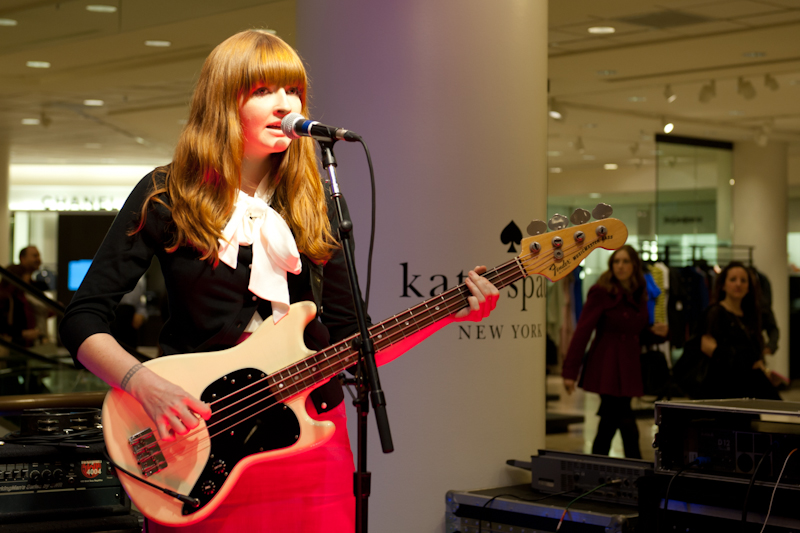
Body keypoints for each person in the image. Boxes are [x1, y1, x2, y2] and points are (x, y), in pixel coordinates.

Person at [58, 29, 499, 533]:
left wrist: (453, 310)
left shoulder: (317, 204)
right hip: (197, 442)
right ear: (223, 101)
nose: (285, 105)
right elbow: (83, 318)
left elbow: (356, 343)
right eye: (264, 90)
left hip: (309, 441)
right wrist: (144, 384)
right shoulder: (166, 193)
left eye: (294, 92)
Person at [561, 245, 667, 459]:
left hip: (628, 364)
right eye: (616, 261)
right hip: (606, 364)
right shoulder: (602, 291)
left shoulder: (640, 292)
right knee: (624, 422)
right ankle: (636, 472)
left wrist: (659, 333)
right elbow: (583, 330)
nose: (620, 266)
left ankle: (601, 472)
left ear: (634, 265)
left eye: (625, 261)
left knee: (610, 422)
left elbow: (638, 331)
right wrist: (570, 371)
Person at [699, 262, 780, 400]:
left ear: (749, 287)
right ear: (723, 285)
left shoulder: (750, 315)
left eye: (743, 280)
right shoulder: (715, 313)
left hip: (749, 387)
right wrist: (747, 362)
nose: (738, 284)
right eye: (733, 279)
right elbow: (709, 349)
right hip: (725, 388)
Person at [0, 264, 42, 348]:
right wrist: (23, 333)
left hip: (23, 345)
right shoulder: (7, 298)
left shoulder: (22, 296)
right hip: (14, 345)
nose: (28, 278)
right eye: (26, 275)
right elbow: (3, 325)